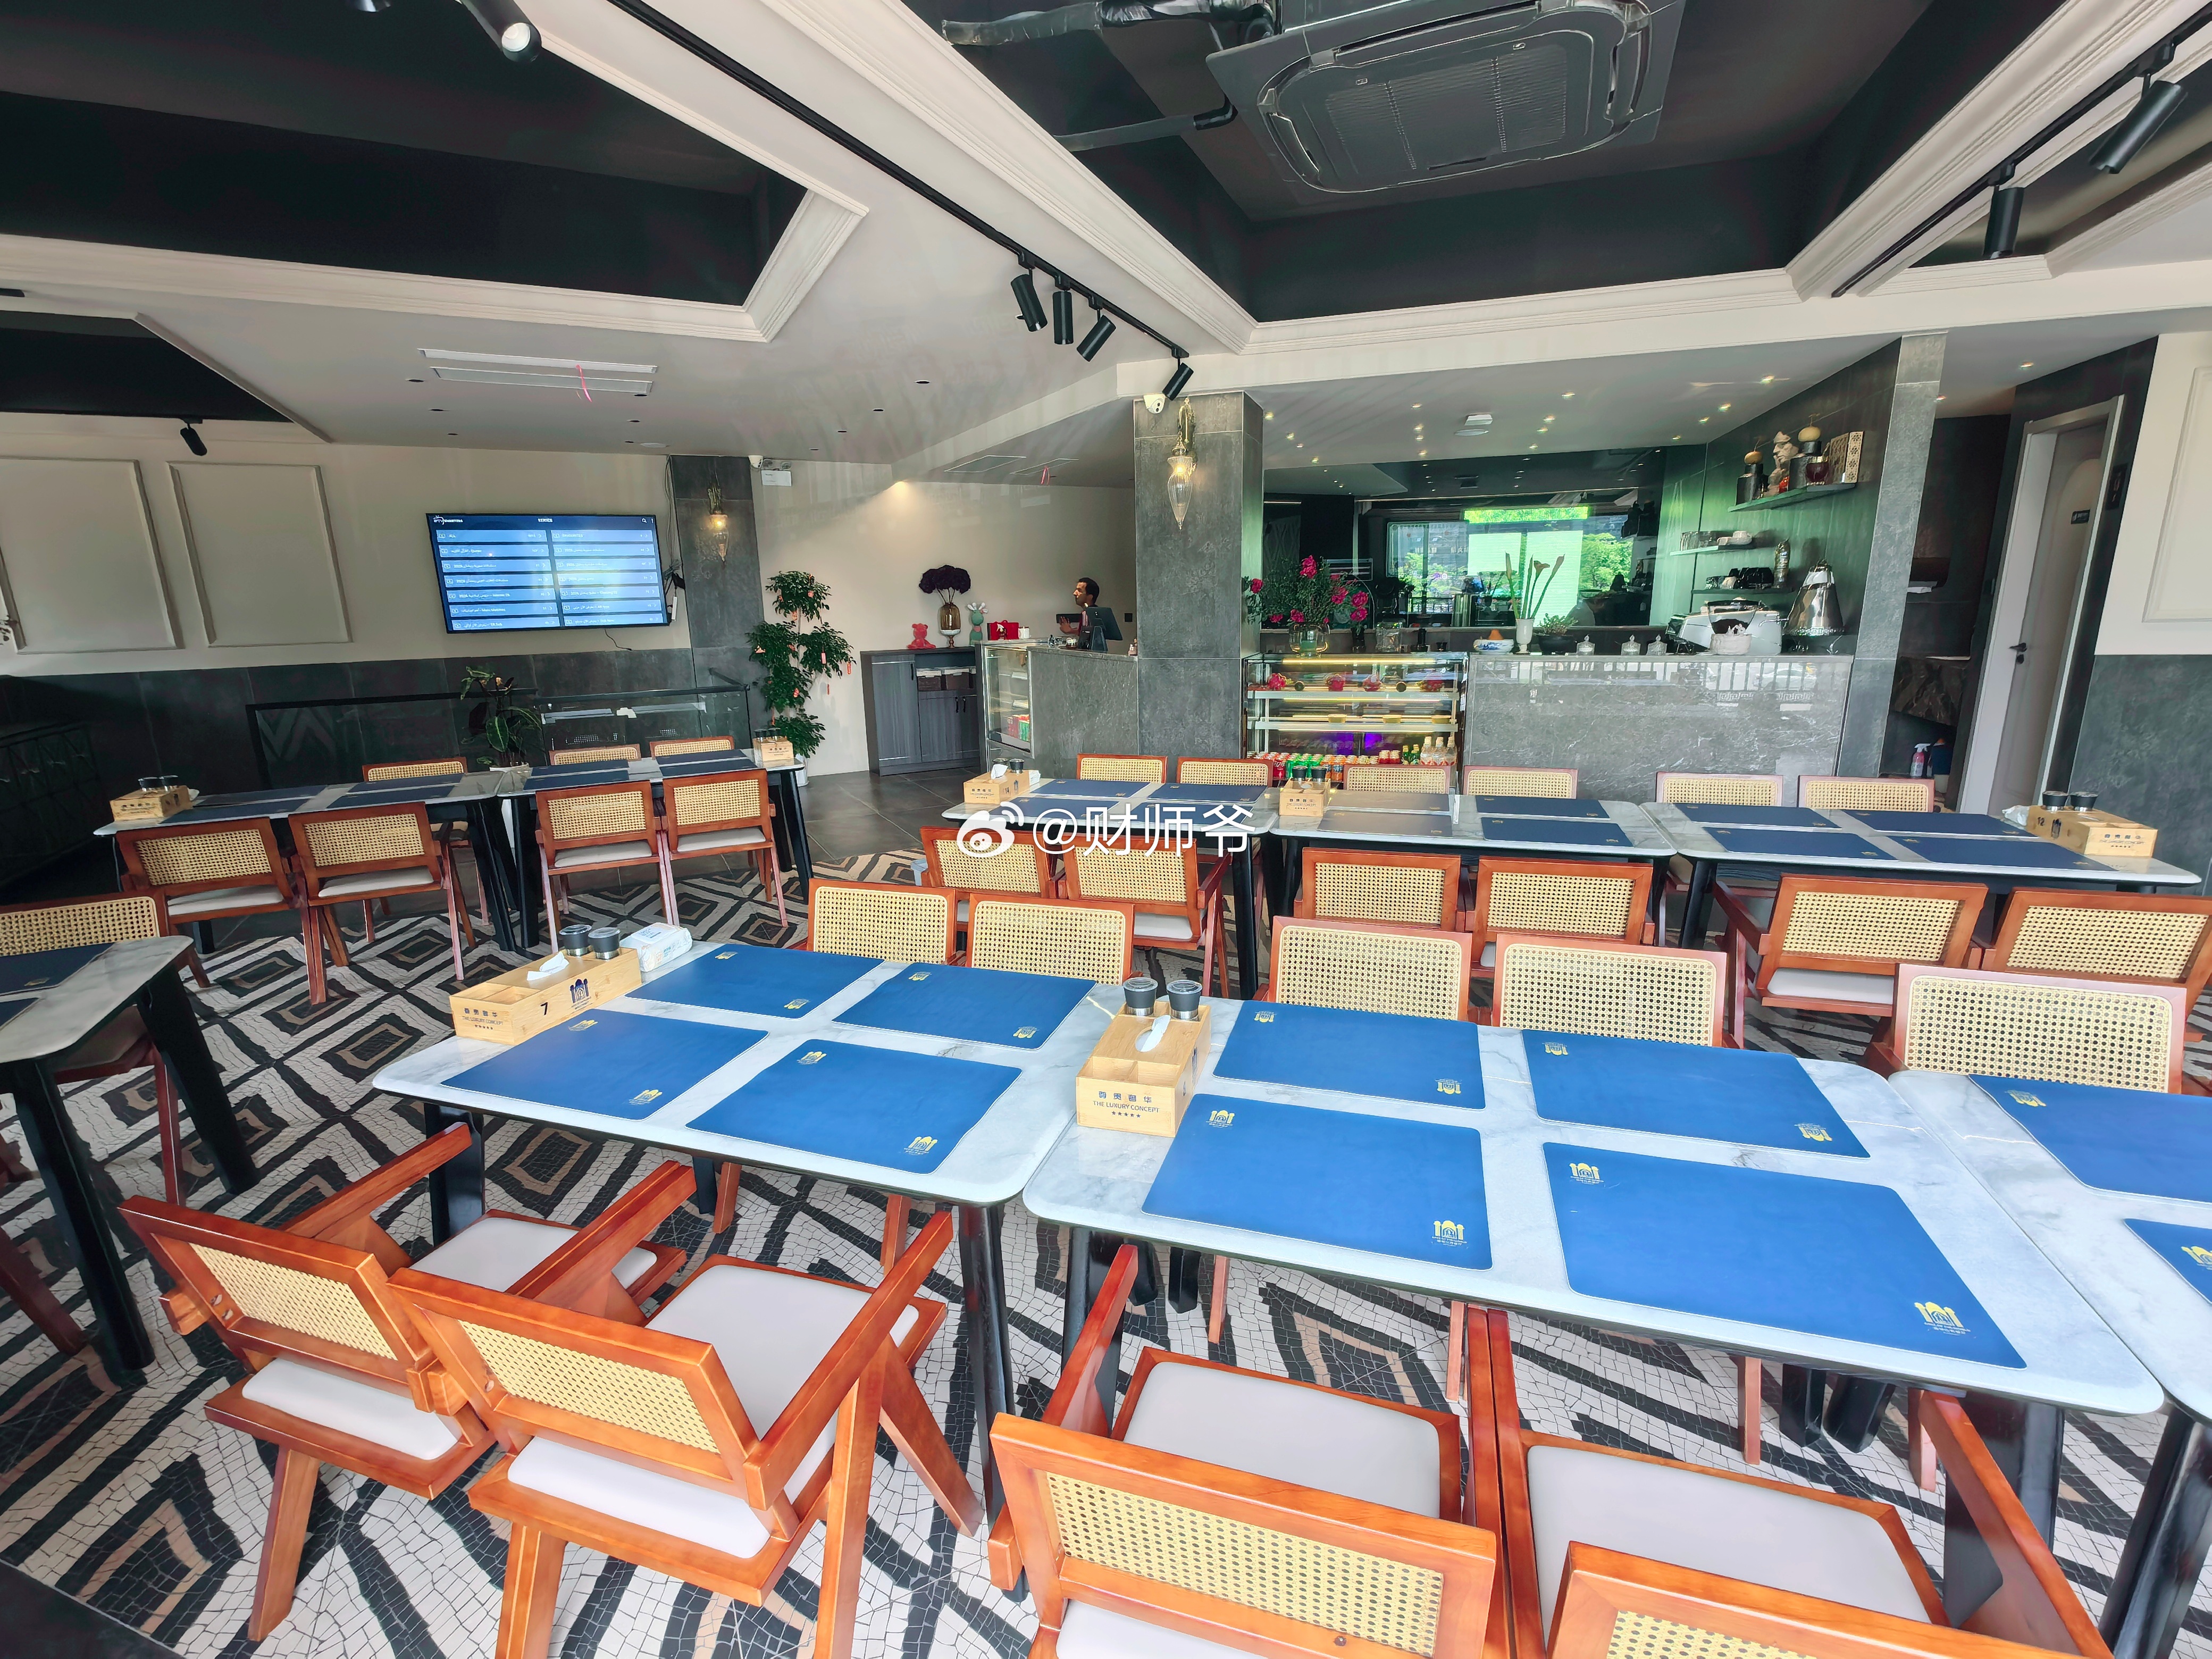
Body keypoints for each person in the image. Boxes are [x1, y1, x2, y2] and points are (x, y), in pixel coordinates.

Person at [1072, 576, 1122, 652]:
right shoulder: (1088, 613)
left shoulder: (1090, 614)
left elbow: (1086, 639)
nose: (1075, 593)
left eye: (1080, 591)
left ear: (1090, 597)